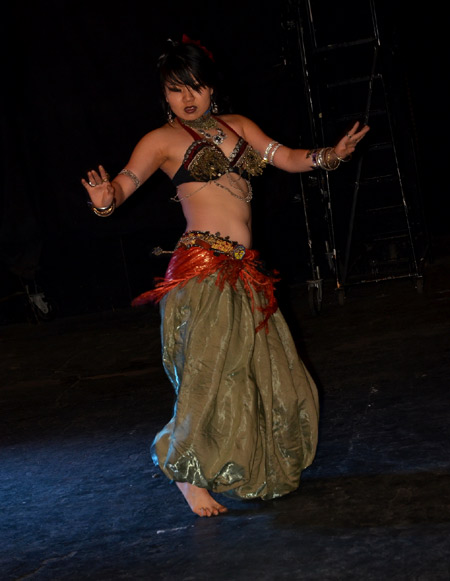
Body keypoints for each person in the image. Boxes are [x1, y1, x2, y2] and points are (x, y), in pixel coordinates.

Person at [81, 36, 369, 517]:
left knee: (270, 375)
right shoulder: (160, 141)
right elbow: (125, 184)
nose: (187, 97)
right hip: (203, 268)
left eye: (195, 86)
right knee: (209, 376)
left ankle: (251, 464)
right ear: (164, 95)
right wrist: (105, 200)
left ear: (211, 88)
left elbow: (286, 157)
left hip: (244, 270)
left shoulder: (239, 126)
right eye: (176, 89)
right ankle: (185, 472)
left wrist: (330, 154)